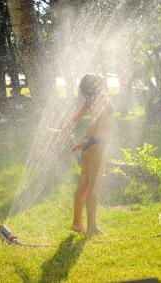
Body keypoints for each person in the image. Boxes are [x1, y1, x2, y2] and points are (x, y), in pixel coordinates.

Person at [62, 73, 114, 236]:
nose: (99, 74)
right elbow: (96, 120)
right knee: (93, 189)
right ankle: (92, 228)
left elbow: (76, 117)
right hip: (96, 145)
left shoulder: (91, 100)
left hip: (89, 146)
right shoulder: (102, 97)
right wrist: (86, 138)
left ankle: (77, 223)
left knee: (83, 186)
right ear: (95, 83)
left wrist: (63, 130)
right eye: (96, 75)